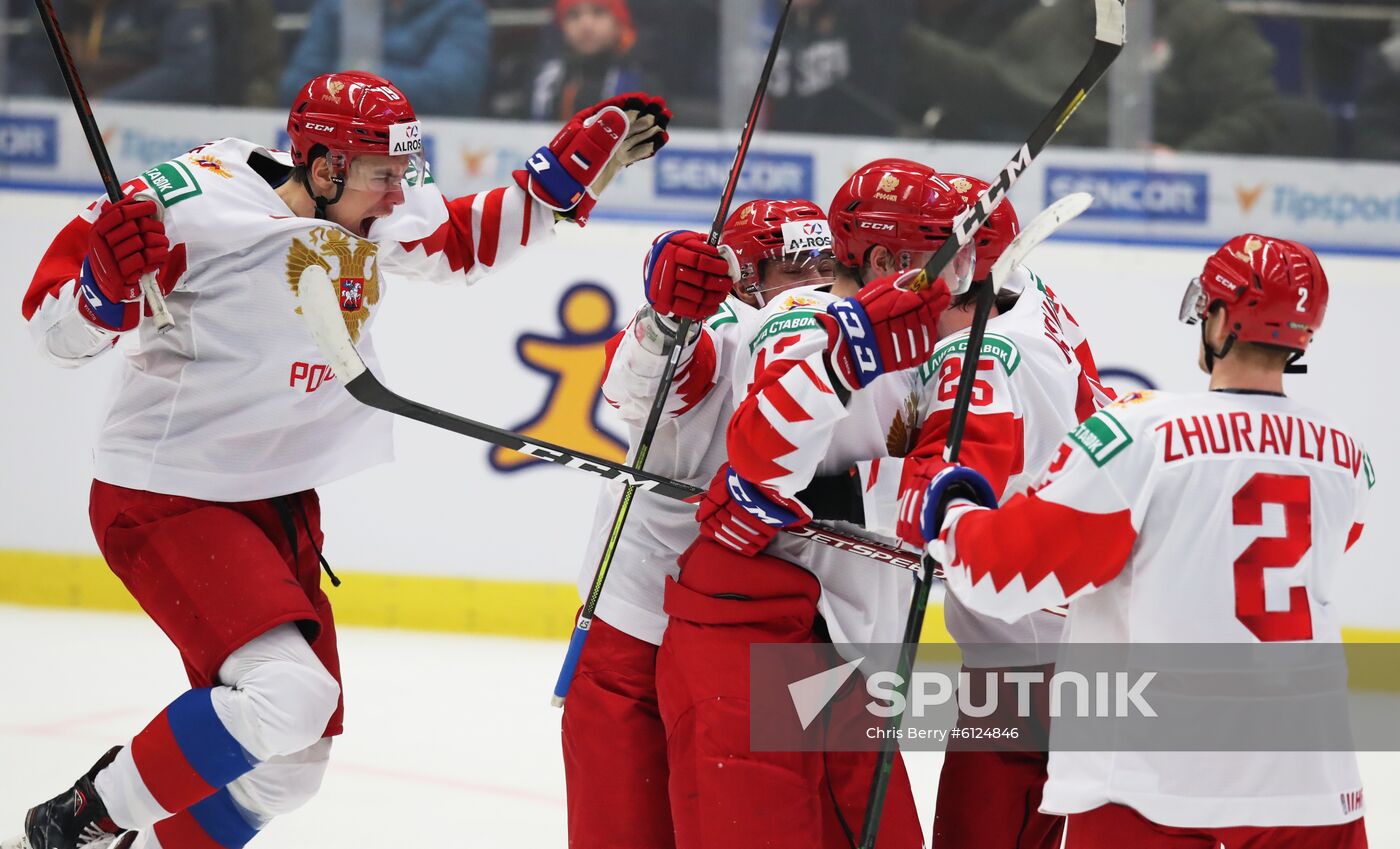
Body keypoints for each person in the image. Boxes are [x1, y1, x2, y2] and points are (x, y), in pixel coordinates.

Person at [7, 71, 669, 849]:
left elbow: (455, 243)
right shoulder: (185, 203)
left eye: (402, 173)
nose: (399, 194)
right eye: (384, 176)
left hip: (277, 502)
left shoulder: (365, 194)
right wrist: (101, 290)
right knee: (288, 694)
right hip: (167, 494)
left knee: (290, 768)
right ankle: (76, 822)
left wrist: (553, 188)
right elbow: (50, 330)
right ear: (323, 169)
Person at [921, 234, 1371, 847]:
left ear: (1216, 318)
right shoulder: (1348, 458)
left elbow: (997, 578)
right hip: (1311, 778)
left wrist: (953, 507)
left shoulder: (1140, 434)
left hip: (1156, 775)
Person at [654, 159, 986, 849]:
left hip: (845, 644)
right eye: (941, 257)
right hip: (773, 636)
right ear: (886, 257)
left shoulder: (929, 334)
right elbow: (761, 449)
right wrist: (848, 353)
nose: (959, 275)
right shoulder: (801, 316)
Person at [562, 199, 836, 848]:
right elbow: (636, 380)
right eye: (798, 268)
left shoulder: (834, 333)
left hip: (751, 635)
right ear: (743, 279)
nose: (820, 282)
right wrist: (666, 319)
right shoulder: (711, 329)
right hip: (639, 629)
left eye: (829, 264)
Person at [904, 0, 1285, 153]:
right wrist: (896, 36)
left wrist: (1184, 160)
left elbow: (1257, 113)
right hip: (1043, 197)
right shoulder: (1052, 21)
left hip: (1162, 207)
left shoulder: (1209, 25)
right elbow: (994, 87)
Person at [280, 0, 491, 116]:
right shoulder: (339, 6)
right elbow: (295, 85)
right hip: (341, 141)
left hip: (428, 142)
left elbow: (453, 91)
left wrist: (349, 79)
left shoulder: (461, 8)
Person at [527, 0, 649, 122]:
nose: (586, 25)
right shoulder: (545, 80)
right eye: (574, 15)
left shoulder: (641, 81)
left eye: (598, 12)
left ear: (619, 23)